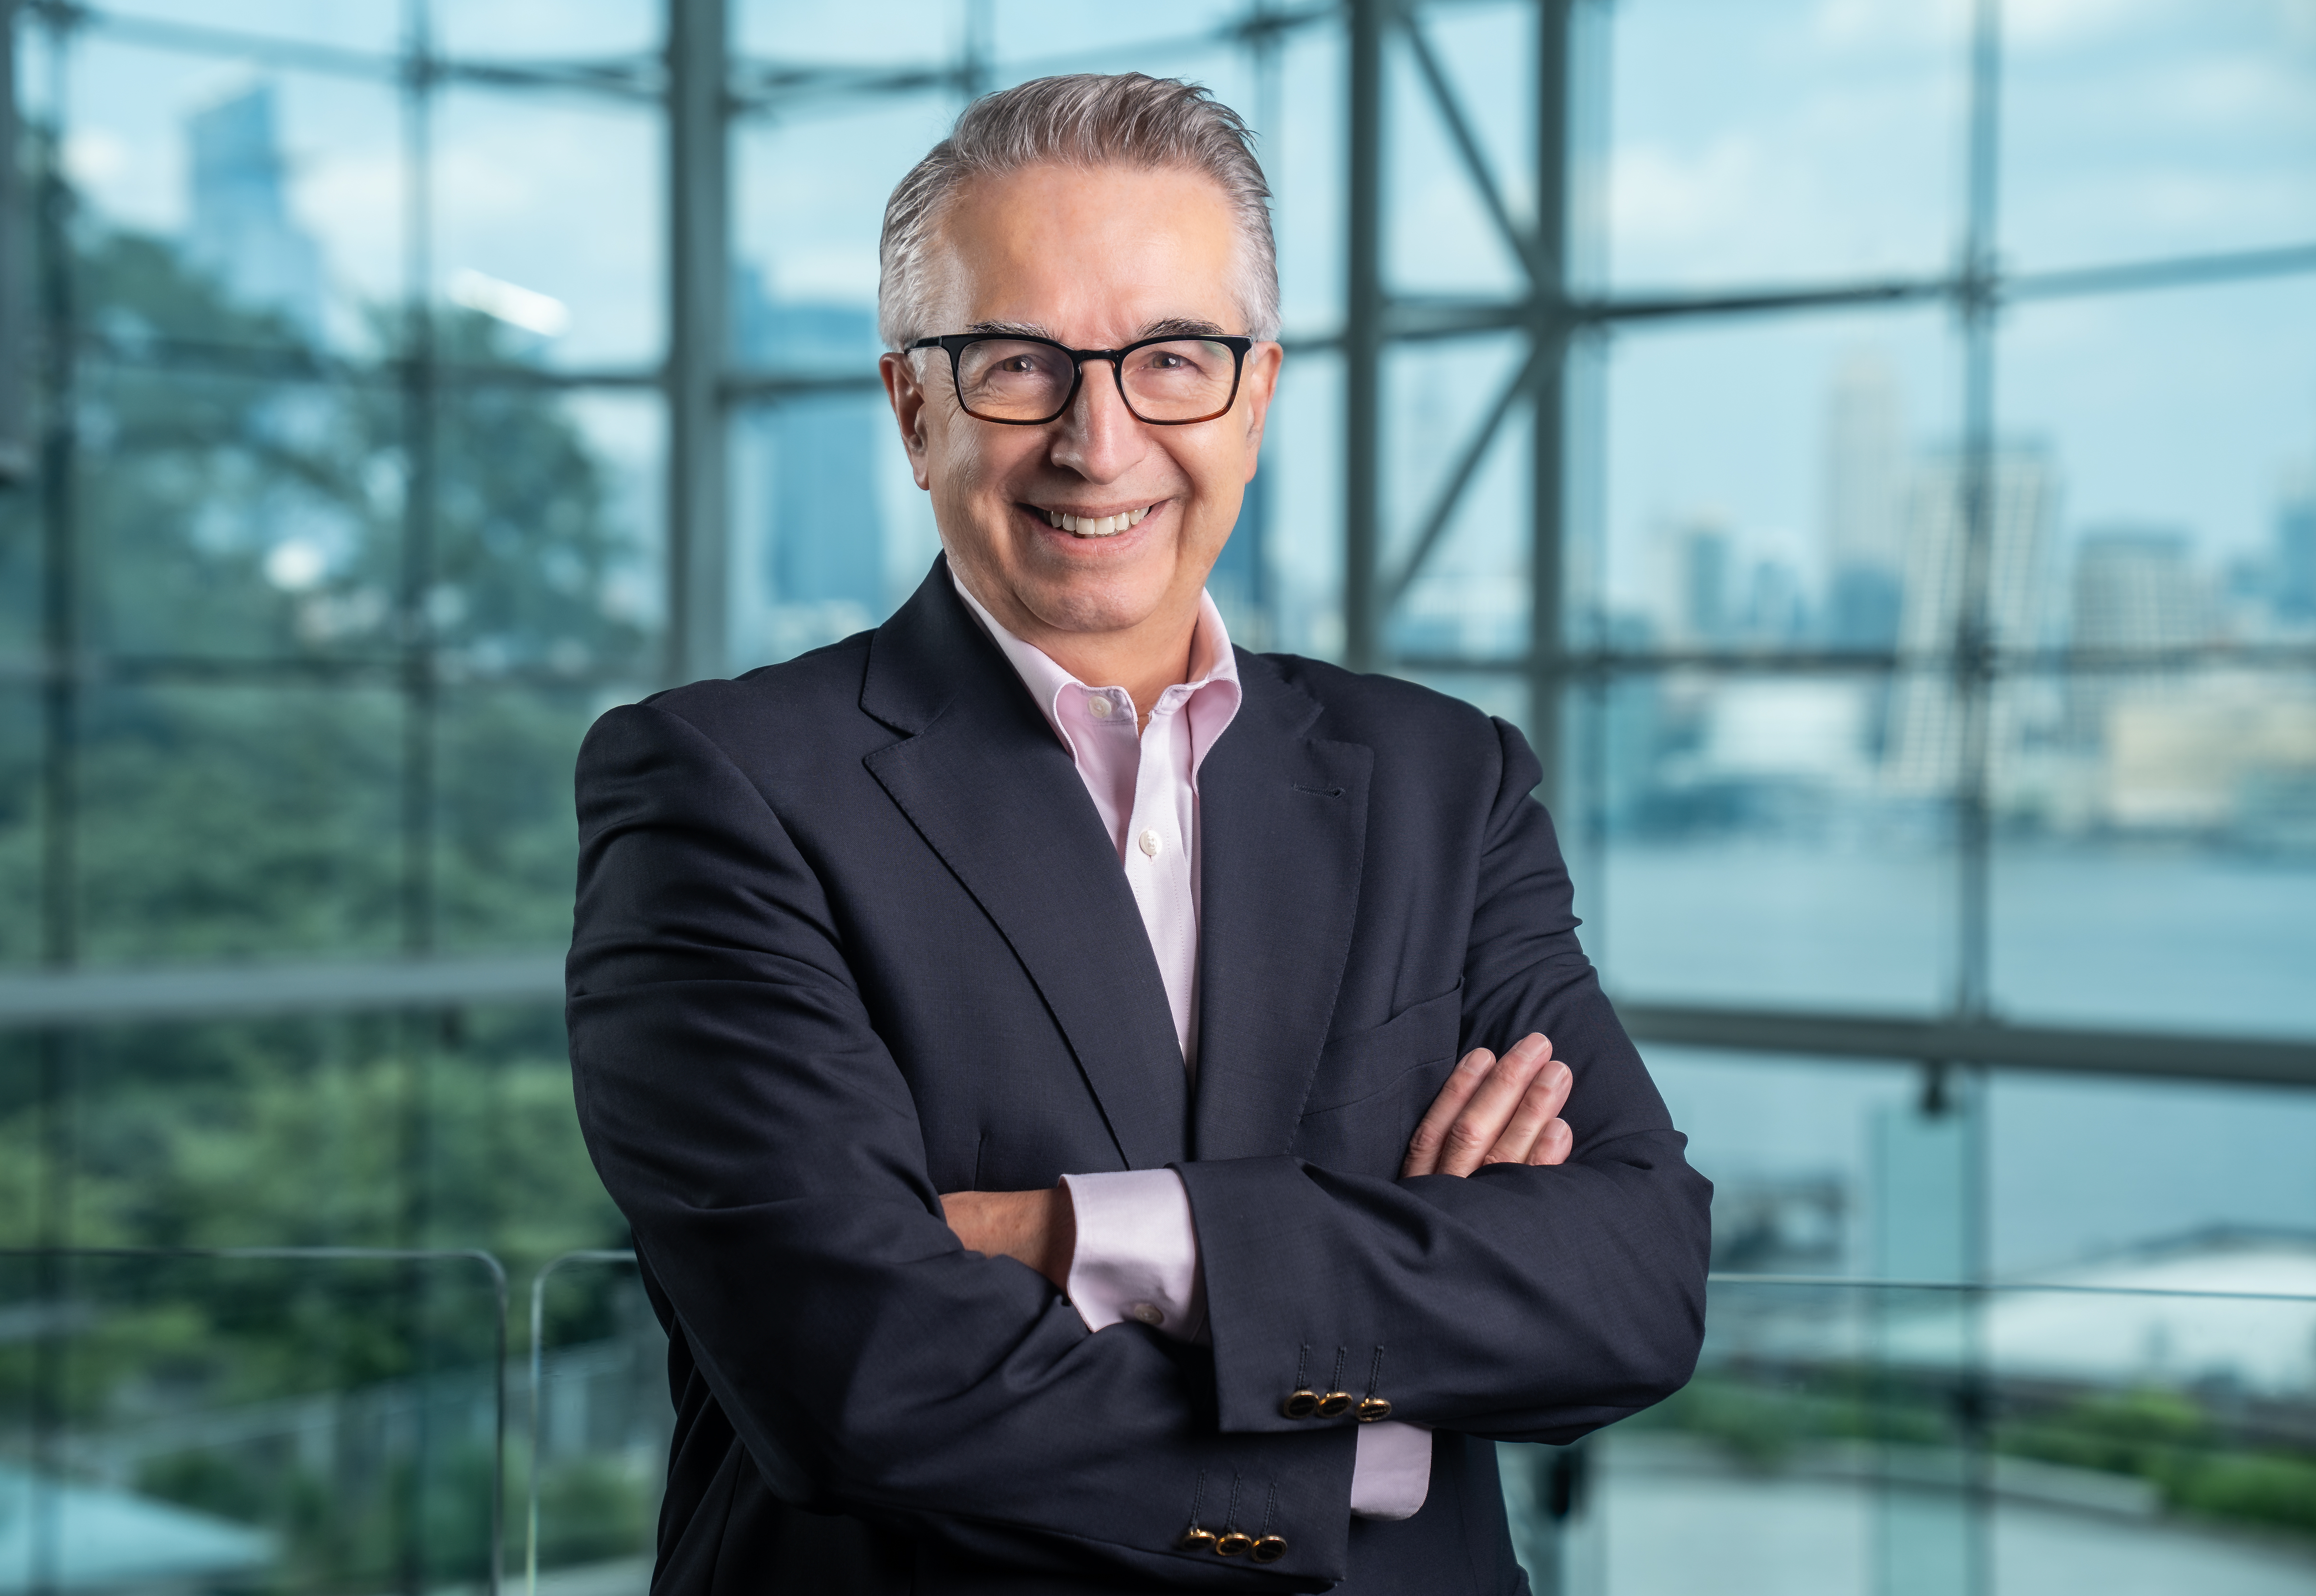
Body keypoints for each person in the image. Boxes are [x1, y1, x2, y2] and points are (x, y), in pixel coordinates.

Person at [568, 72, 1710, 1595]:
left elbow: (1633, 1284)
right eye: (1018, 365)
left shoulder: (1446, 780)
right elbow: (856, 1373)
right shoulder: (721, 787)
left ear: (1256, 398)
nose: (1099, 443)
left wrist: (1080, 1236)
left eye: (1173, 359)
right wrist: (1365, 1436)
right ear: (914, 409)